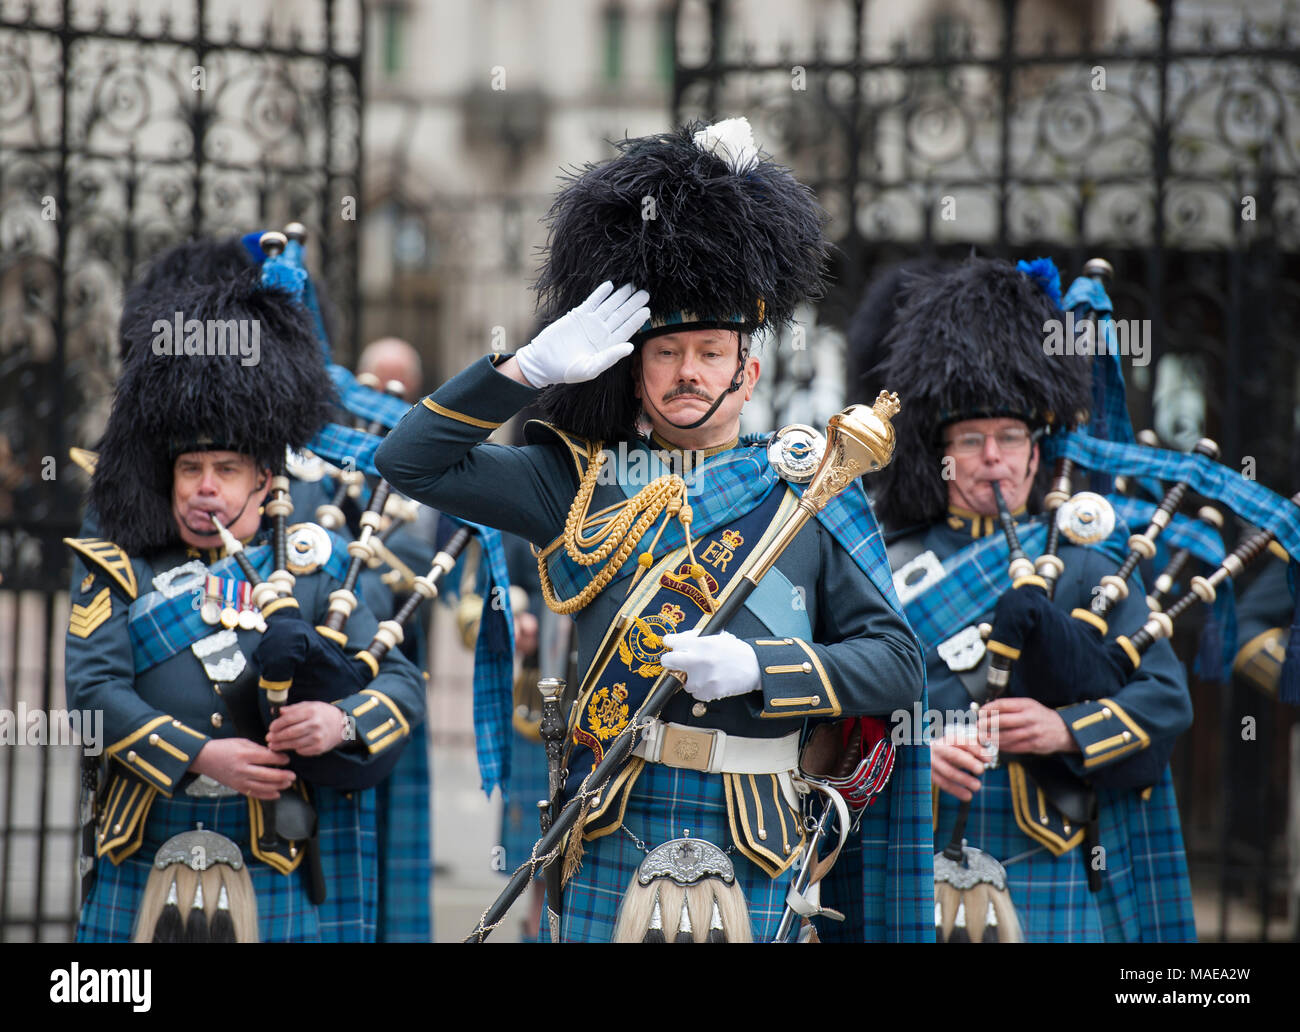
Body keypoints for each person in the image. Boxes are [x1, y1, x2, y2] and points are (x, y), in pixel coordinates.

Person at [376, 117, 929, 943]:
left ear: (748, 371)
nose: (688, 371)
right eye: (667, 351)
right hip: (609, 820)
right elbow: (410, 462)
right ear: (635, 367)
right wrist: (525, 370)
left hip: (756, 829)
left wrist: (760, 667)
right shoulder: (572, 478)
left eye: (711, 351)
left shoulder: (813, 488)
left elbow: (896, 664)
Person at [66, 244, 426, 942]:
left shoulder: (319, 571)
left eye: (226, 469)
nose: (205, 486)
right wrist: (202, 756)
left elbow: (403, 682)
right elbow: (90, 692)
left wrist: (340, 723)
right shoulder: (117, 565)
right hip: (147, 831)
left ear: (264, 480)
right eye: (190, 468)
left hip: (275, 848)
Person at [864, 256, 1197, 941]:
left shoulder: (1087, 565)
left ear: (1036, 456)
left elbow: (1166, 699)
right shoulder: (884, 566)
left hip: (1047, 864)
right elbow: (836, 718)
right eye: (973, 440)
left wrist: (1065, 729)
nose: (994, 456)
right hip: (914, 861)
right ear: (942, 455)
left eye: (1011, 437)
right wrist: (921, 752)